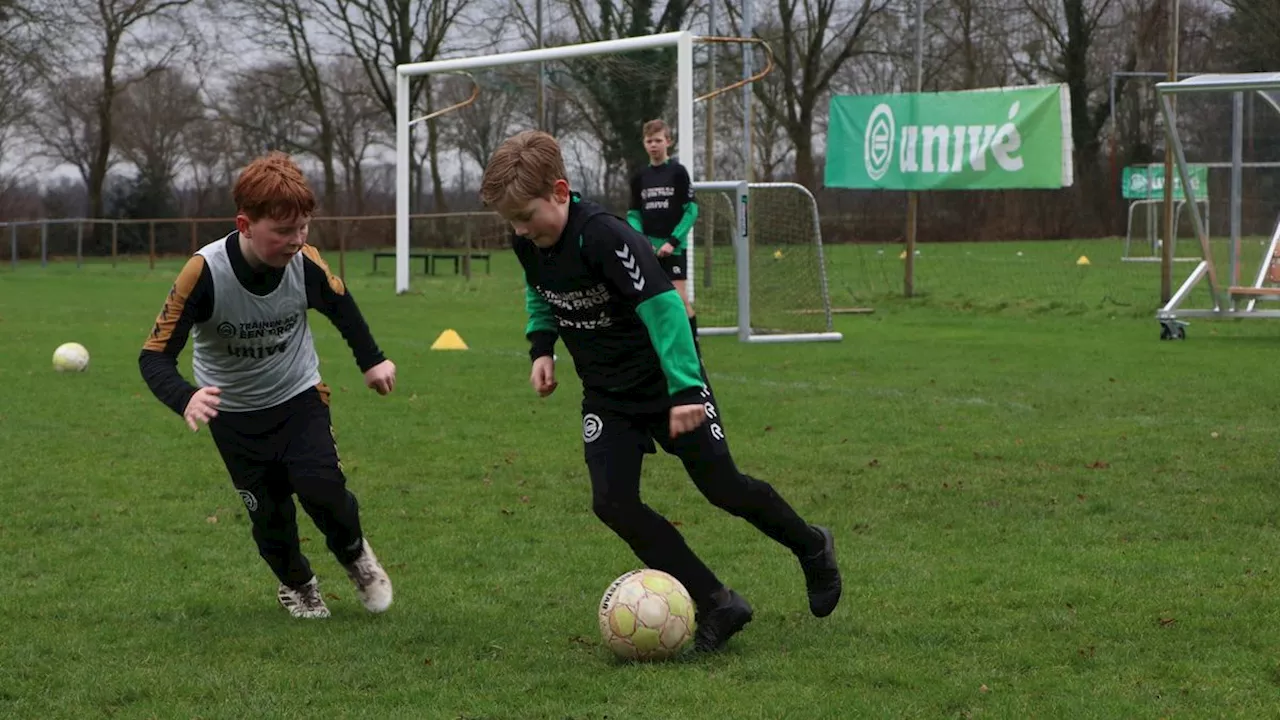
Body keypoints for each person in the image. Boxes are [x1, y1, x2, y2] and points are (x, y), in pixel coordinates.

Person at [481, 130, 841, 653]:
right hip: (607, 396)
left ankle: (812, 546)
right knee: (613, 502)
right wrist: (542, 348)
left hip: (669, 385)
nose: (518, 229)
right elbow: (541, 292)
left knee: (723, 488)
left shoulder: (604, 236)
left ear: (560, 191)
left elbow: (666, 310)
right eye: (510, 220)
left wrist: (686, 391)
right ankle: (718, 602)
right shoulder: (527, 241)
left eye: (525, 215)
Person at [138, 151, 395, 620]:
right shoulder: (205, 272)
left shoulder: (306, 263)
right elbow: (153, 356)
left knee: (323, 488)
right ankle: (298, 585)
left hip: (299, 399)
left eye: (303, 228)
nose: (297, 241)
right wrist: (186, 396)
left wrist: (372, 361)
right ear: (245, 224)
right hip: (233, 417)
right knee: (270, 516)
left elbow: (343, 308)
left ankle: (356, 556)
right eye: (283, 232)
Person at [628, 119, 700, 336]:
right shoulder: (639, 177)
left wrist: (673, 241)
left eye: (658, 140)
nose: (654, 145)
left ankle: (693, 347)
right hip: (648, 249)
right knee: (649, 301)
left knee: (679, 300)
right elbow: (633, 215)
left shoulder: (678, 172)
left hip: (673, 248)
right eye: (649, 141)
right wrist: (643, 243)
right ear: (644, 144)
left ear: (668, 141)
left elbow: (691, 211)